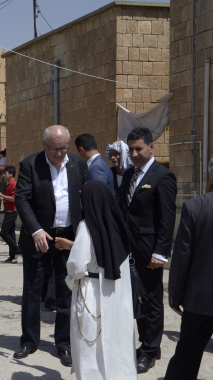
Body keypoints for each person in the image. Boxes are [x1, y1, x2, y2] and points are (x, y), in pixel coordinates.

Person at [14, 125, 89, 367]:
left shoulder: (78, 164)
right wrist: (35, 230)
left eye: (63, 148)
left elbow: (87, 199)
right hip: (39, 237)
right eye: (54, 149)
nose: (59, 153)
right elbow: (22, 199)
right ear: (44, 145)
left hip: (67, 238)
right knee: (33, 290)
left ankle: (64, 344)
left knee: (66, 292)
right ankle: (29, 340)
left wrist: (83, 236)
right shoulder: (30, 165)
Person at [164, 151, 213, 380]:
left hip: (202, 295)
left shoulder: (196, 206)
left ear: (212, 176)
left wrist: (176, 294)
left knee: (187, 353)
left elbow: (182, 256)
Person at [118, 127, 177, 374]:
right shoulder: (130, 173)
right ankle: (148, 345)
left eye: (138, 149)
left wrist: (160, 252)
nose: (134, 154)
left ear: (151, 148)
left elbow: (167, 218)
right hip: (128, 251)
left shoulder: (163, 176)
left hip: (149, 252)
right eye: (130, 149)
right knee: (136, 300)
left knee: (151, 301)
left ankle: (149, 351)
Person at [65, 180, 136, 380]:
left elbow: (77, 265)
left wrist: (70, 280)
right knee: (116, 342)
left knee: (89, 347)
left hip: (90, 291)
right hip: (116, 293)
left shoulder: (87, 226)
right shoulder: (119, 227)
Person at [0, 166, 21, 263]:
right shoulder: (9, 184)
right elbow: (8, 199)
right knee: (10, 234)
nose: (4, 175)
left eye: (5, 173)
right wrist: (0, 198)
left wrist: (1, 195)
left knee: (3, 233)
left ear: (11, 174)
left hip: (12, 212)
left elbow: (14, 199)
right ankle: (12, 256)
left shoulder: (14, 184)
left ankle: (18, 251)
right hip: (8, 211)